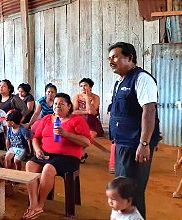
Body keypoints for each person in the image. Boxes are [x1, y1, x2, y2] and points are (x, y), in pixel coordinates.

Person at [108, 42, 160, 219]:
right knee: (122, 189)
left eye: (115, 57)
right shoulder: (119, 81)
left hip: (135, 145)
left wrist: (144, 142)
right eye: (110, 58)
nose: (111, 61)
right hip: (122, 144)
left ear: (130, 58)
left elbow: (149, 110)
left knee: (132, 192)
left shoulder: (141, 78)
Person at [23, 93, 91, 219]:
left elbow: (87, 142)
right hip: (46, 155)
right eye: (55, 104)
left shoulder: (77, 120)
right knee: (30, 165)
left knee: (48, 168)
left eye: (61, 104)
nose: (57, 106)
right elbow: (36, 138)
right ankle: (33, 203)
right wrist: (37, 150)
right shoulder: (47, 119)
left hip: (68, 157)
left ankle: (40, 205)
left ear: (69, 106)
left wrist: (66, 134)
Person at [72, 78, 103, 163]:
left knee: (90, 135)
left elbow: (93, 112)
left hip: (91, 121)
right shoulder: (77, 97)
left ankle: (79, 153)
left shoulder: (96, 97)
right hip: (78, 120)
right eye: (81, 86)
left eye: (85, 85)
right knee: (73, 135)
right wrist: (86, 111)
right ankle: (80, 154)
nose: (83, 88)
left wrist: (87, 99)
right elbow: (74, 111)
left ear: (90, 87)